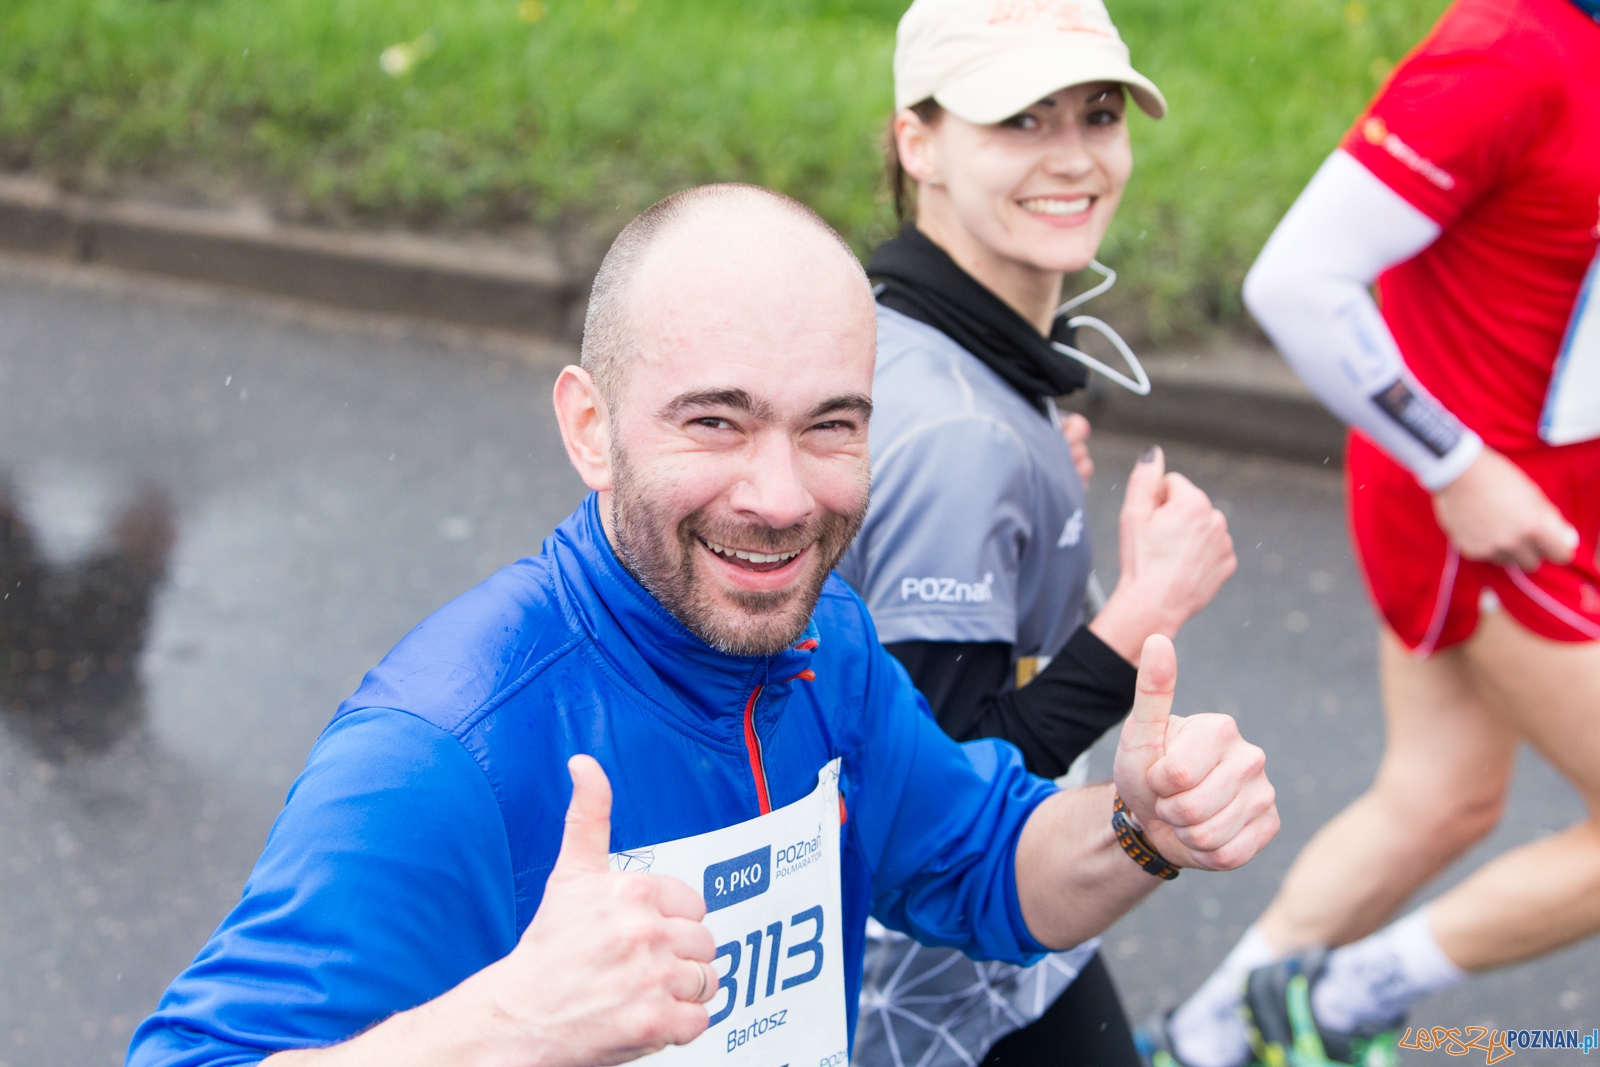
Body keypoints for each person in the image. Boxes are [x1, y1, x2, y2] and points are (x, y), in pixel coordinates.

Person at [124, 185, 1279, 1067]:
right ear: (590, 427)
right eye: (716, 421)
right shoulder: (442, 749)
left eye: (830, 425)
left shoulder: (823, 640)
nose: (780, 497)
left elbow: (981, 863)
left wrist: (1140, 826)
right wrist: (499, 1024)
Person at [1138, 1, 1600, 1064]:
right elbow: (1293, 281)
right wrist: (1455, 462)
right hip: (1480, 506)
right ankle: (1335, 1000)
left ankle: (1204, 1039)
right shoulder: (1511, 50)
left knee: (1440, 795)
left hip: (1550, 490)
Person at [836, 2, 1238, 1065]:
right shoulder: (960, 430)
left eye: (1097, 114)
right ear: (915, 141)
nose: (1072, 158)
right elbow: (933, 790)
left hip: (988, 952)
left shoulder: (899, 332)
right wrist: (1145, 611)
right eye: (1019, 120)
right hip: (930, 986)